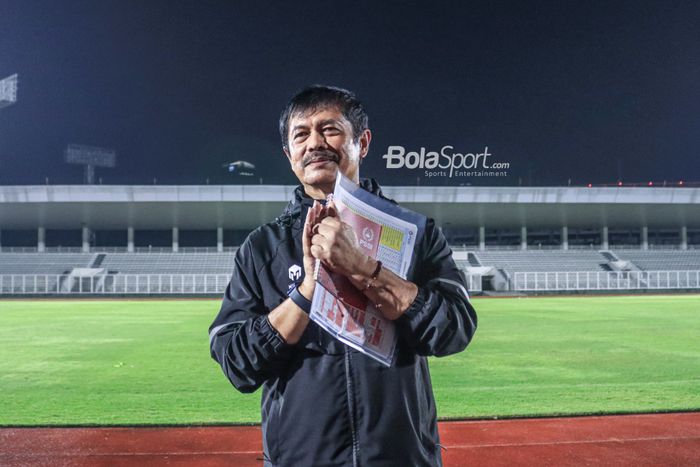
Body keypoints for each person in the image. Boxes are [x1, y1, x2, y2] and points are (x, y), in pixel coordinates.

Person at [209, 85, 477, 466]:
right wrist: (306, 292)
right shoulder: (262, 249)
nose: (314, 142)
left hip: (401, 458)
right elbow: (237, 364)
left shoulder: (414, 235)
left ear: (363, 142)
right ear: (289, 156)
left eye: (330, 129)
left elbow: (455, 331)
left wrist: (362, 267)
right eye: (301, 134)